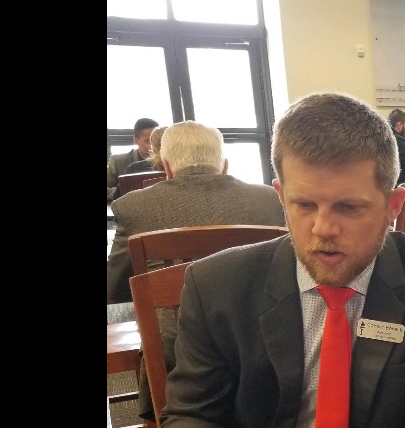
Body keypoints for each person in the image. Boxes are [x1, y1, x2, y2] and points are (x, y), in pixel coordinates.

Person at [162, 92, 405, 428]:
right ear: (280, 196)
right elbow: (191, 415)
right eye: (304, 205)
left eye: (349, 208)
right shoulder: (215, 285)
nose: (323, 229)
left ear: (393, 205)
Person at [107, 120, 286, 304]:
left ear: (166, 168)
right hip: (260, 324)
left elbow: (114, 287)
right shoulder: (271, 199)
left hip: (171, 330)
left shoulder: (131, 207)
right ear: (224, 166)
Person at [107, 117, 159, 202]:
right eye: (148, 141)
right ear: (135, 140)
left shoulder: (167, 159)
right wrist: (123, 193)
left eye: (156, 140)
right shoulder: (117, 161)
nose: (153, 146)